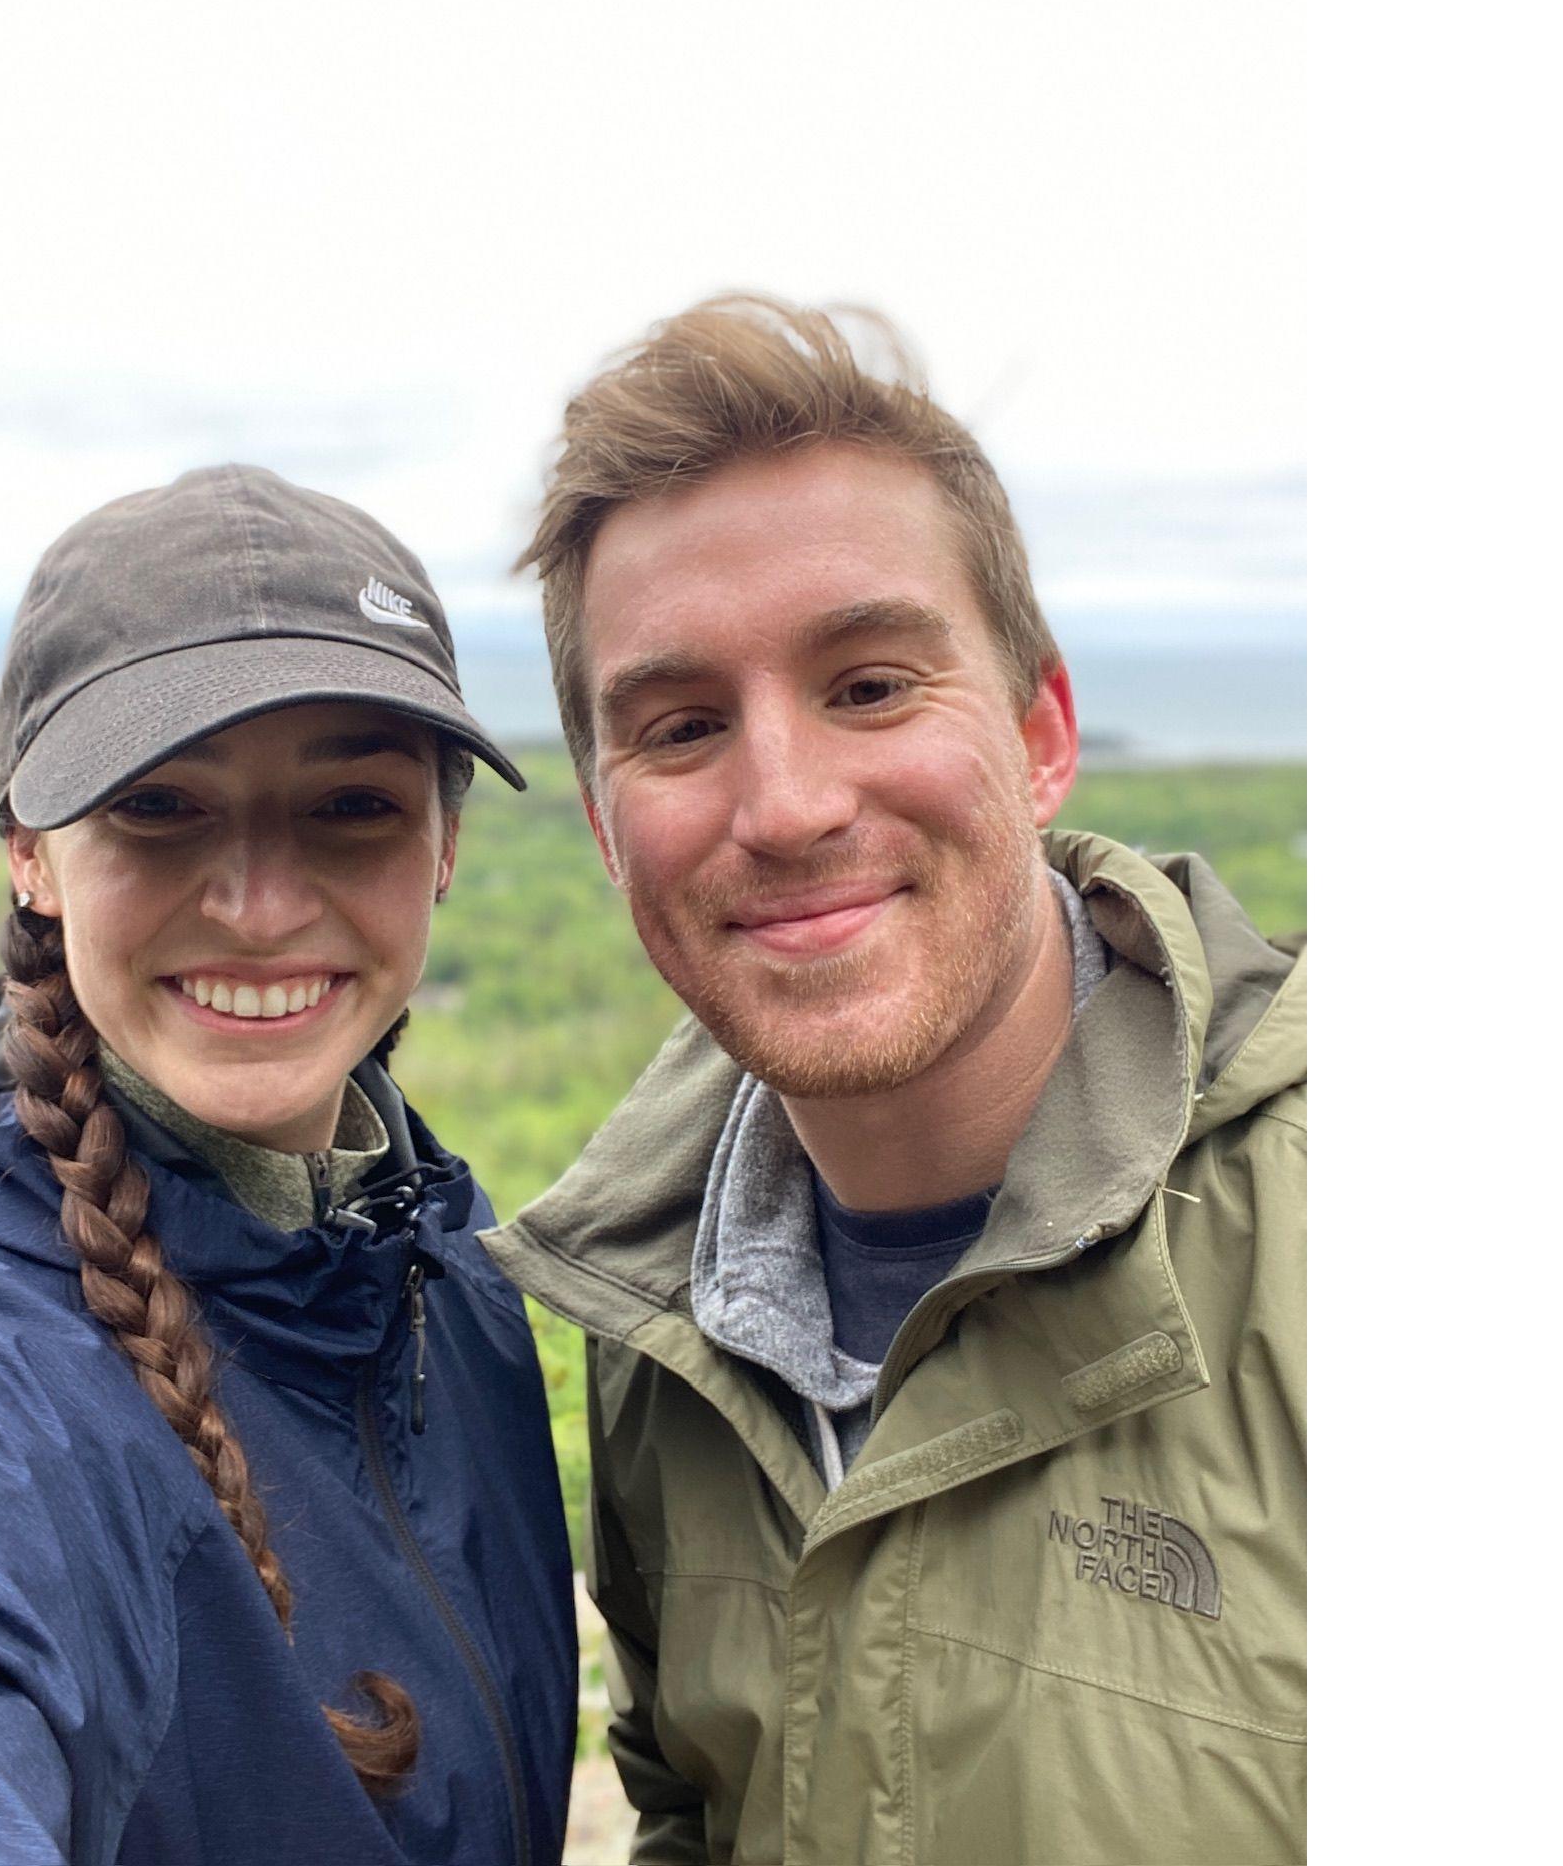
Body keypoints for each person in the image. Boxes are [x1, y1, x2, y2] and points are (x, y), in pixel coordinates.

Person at [483, 297, 1305, 1866]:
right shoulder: (660, 1327)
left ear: (1041, 734)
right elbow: (690, 1811)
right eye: (681, 727)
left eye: (868, 686)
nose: (786, 806)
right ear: (602, 826)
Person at [0, 466, 578, 1866]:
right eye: (157, 806)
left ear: (445, 845)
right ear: (29, 853)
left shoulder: (439, 1264)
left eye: (351, 806)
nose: (259, 908)